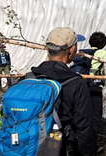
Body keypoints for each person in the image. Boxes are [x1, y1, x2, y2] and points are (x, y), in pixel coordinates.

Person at [31, 27, 96, 156]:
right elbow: (84, 128)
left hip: (26, 146)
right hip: (56, 147)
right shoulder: (76, 83)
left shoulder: (29, 78)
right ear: (71, 50)